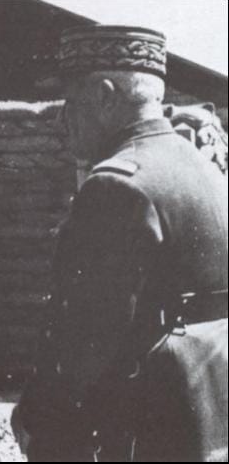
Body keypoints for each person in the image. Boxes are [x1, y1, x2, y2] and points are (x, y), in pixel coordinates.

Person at [13, 25, 228, 462]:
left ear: (105, 96)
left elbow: (88, 335)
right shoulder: (201, 165)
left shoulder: (117, 184)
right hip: (206, 407)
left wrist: (42, 419)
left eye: (70, 103)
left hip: (144, 419)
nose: (61, 120)